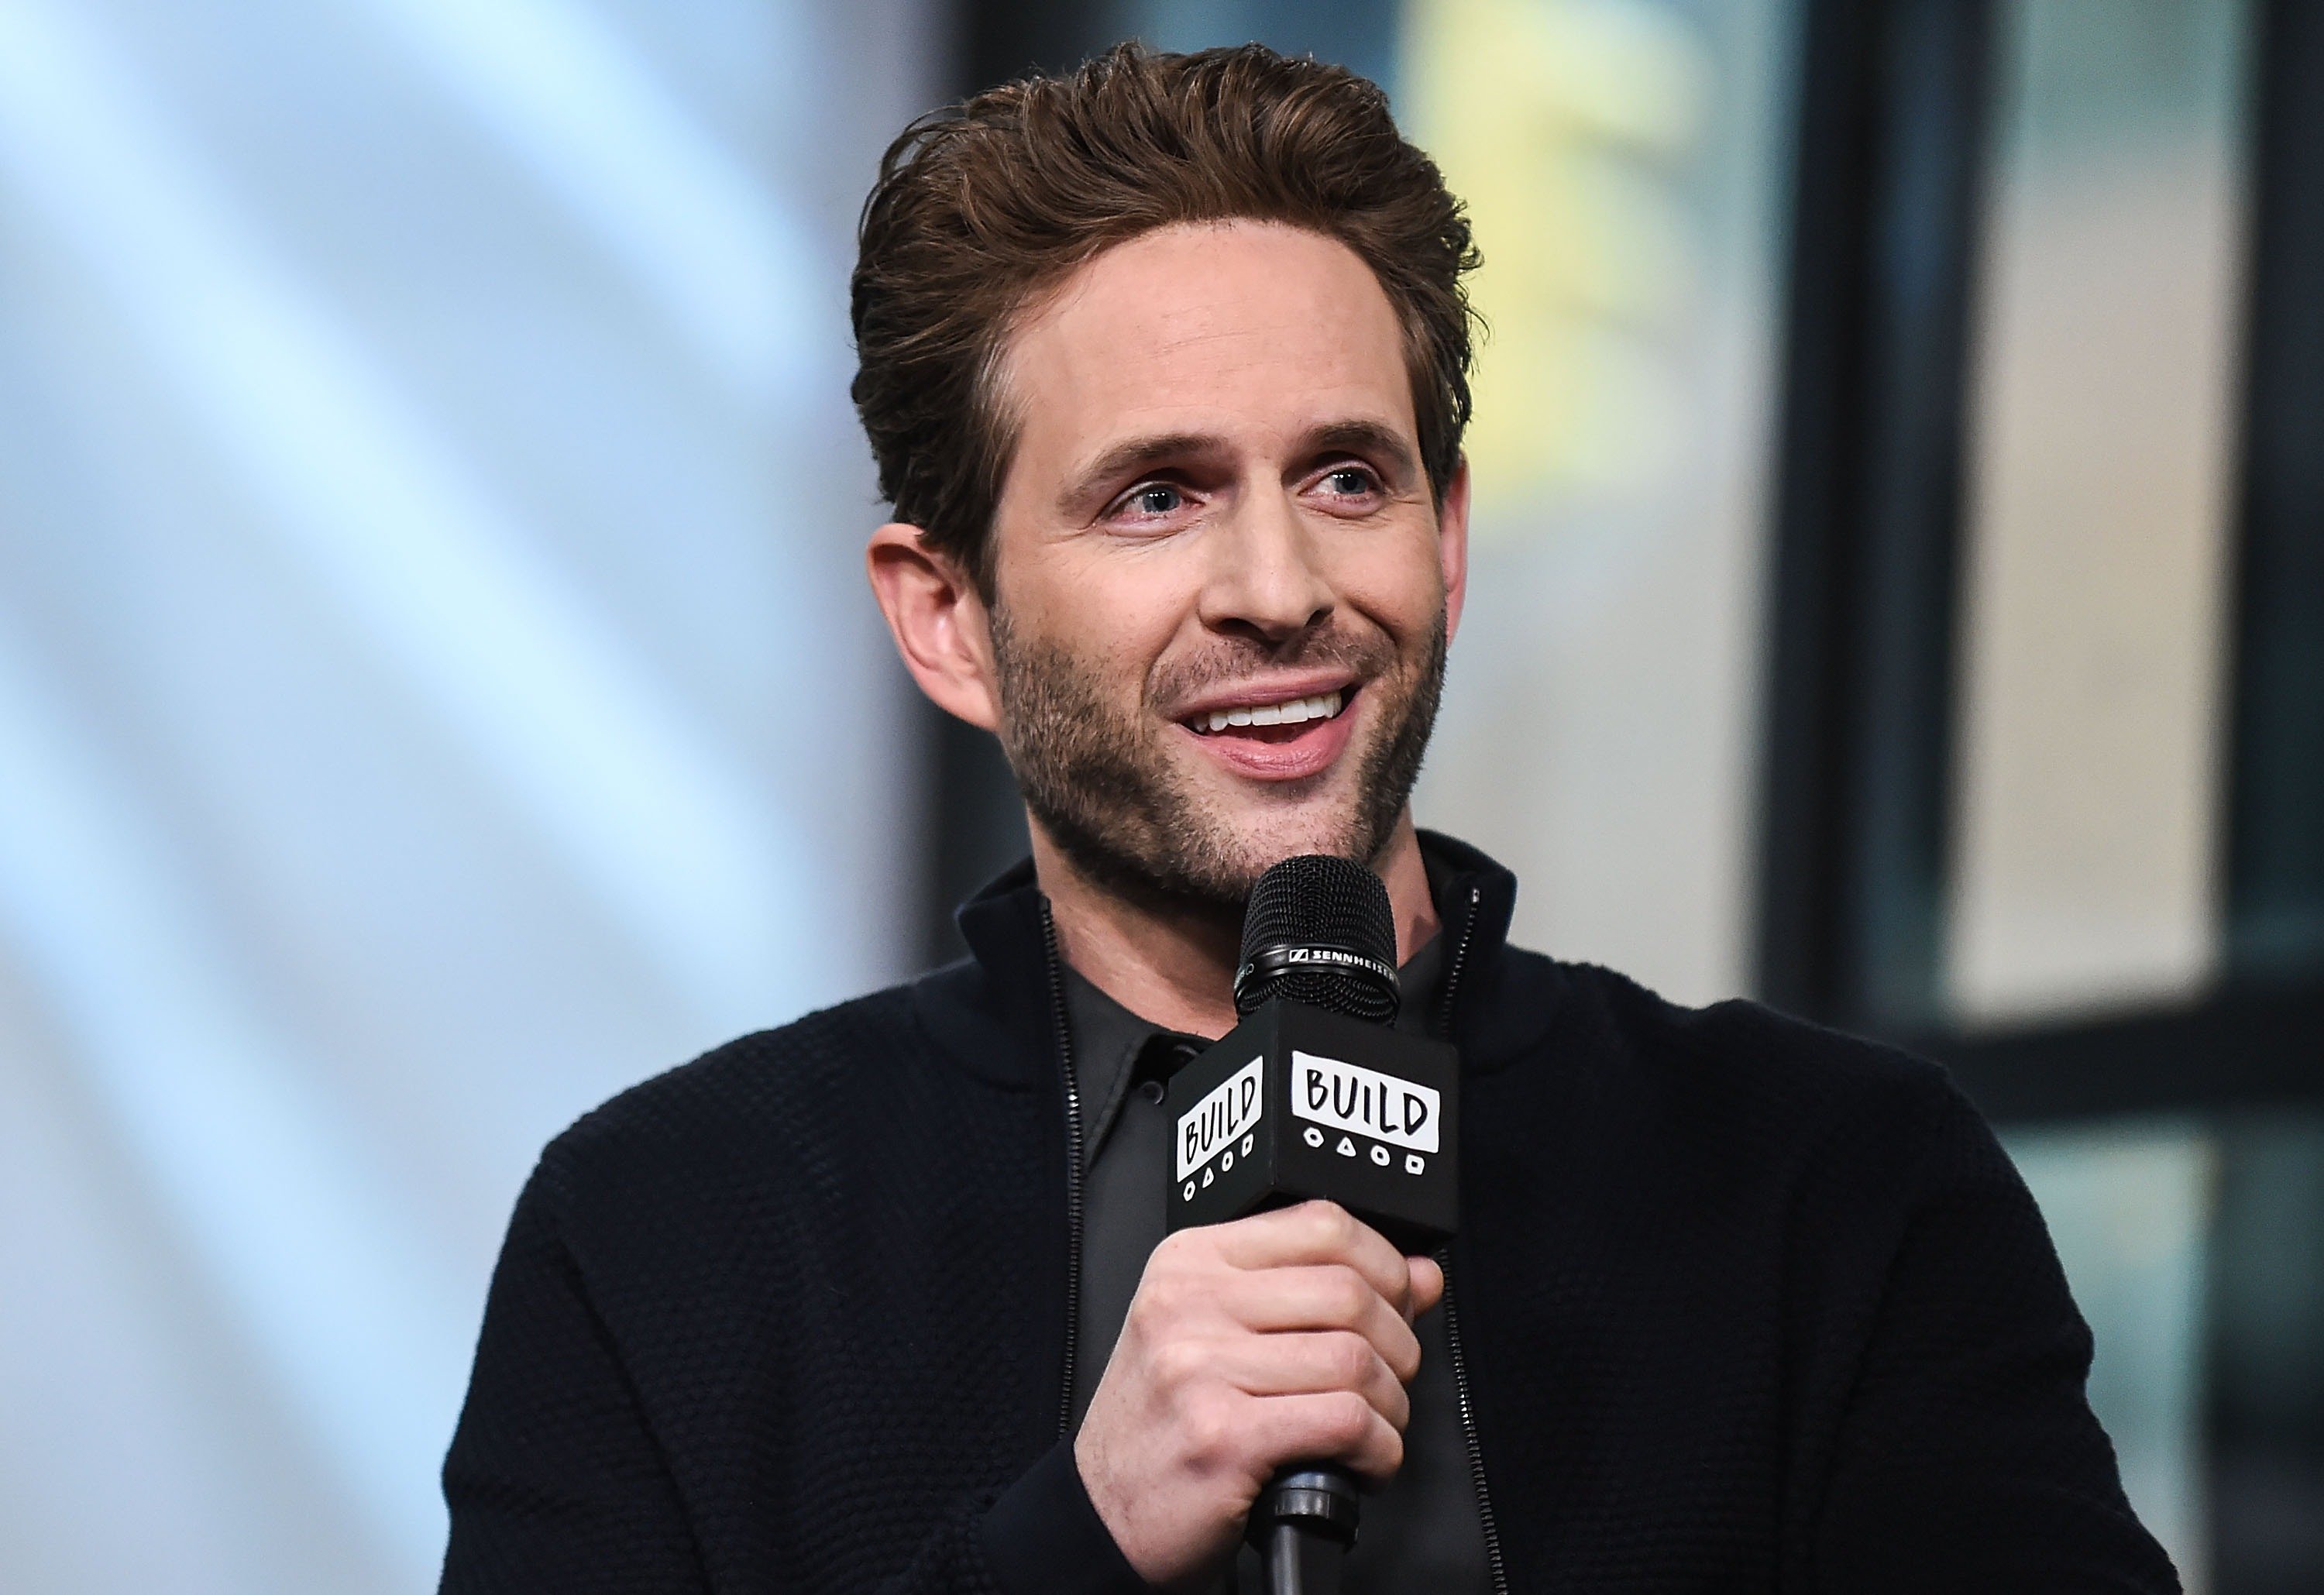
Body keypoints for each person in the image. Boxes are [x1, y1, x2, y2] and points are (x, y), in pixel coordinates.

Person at [438, 43, 2179, 1594]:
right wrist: (1085, 1533)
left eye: (1348, 477)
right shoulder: (671, 1235)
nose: (1277, 587)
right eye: (1157, 497)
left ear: (1448, 539)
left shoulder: (1835, 1188)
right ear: (947, 619)